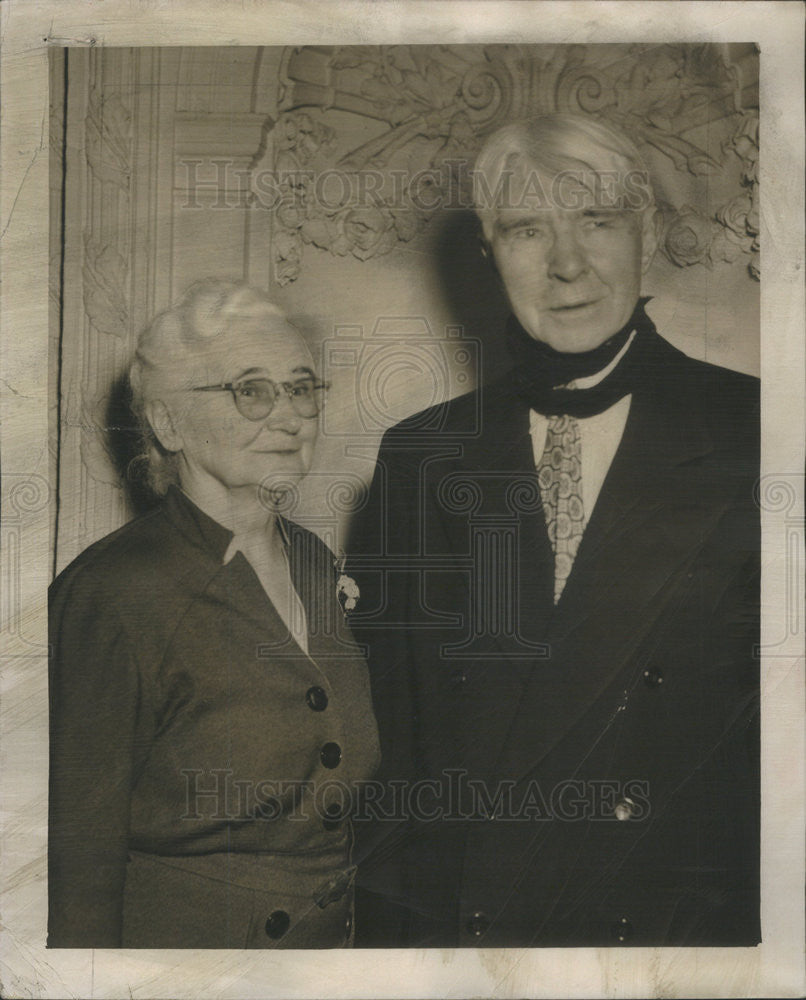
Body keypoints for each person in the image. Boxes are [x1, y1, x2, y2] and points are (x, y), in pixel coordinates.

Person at [350, 114, 760, 947]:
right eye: (527, 230)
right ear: (488, 254)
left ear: (644, 231)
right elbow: (395, 758)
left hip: (677, 937)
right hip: (472, 932)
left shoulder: (760, 430)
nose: (567, 265)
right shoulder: (420, 458)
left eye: (597, 222)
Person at [48, 280, 380, 948]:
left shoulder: (316, 563)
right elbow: (76, 863)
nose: (287, 416)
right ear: (168, 423)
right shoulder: (112, 591)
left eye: (302, 387)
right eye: (250, 390)